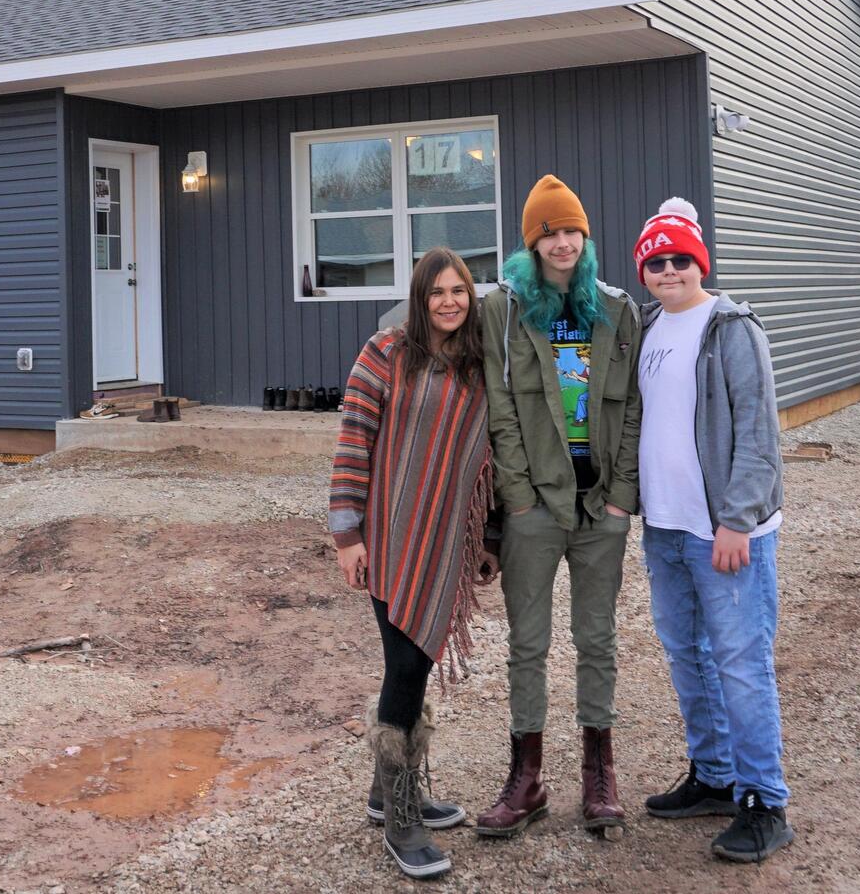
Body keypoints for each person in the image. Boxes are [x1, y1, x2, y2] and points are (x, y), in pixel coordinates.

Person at [475, 175, 642, 840]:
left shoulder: (616, 309)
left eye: (571, 229)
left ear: (586, 236)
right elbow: (500, 408)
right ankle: (527, 779)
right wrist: (516, 498)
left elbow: (630, 410)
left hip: (600, 506)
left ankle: (599, 773)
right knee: (528, 644)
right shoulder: (506, 310)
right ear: (532, 241)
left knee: (597, 639)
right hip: (535, 509)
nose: (563, 241)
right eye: (550, 231)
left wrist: (623, 497)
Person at [630, 197, 795, 863]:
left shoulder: (730, 328)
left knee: (740, 662)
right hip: (665, 527)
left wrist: (737, 520)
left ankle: (764, 801)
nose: (668, 270)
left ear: (699, 262)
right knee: (685, 652)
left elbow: (758, 432)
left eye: (679, 259)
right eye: (656, 261)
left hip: (724, 534)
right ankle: (715, 776)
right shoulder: (646, 327)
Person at [329, 247, 497, 880]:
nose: (450, 302)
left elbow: (489, 465)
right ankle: (402, 819)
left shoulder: (480, 367)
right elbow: (353, 444)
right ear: (420, 297)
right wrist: (347, 535)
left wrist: (488, 540)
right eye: (437, 292)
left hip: (445, 542)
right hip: (390, 536)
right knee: (404, 665)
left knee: (414, 664)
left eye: (460, 291)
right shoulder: (385, 354)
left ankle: (386, 793)